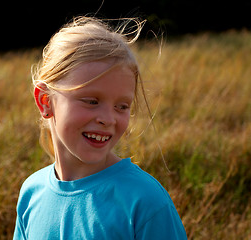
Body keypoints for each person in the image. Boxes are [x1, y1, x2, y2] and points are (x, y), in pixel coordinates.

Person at [13, 16, 187, 239]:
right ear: (45, 101)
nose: (108, 119)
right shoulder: (31, 193)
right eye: (91, 101)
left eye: (121, 106)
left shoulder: (145, 202)